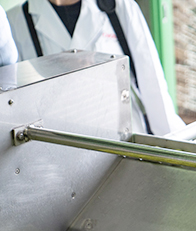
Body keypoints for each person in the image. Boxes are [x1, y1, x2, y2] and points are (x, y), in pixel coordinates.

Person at [7, 0, 185, 136]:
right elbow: (18, 105)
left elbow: (152, 84)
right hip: (63, 147)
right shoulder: (16, 22)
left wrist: (175, 148)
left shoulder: (118, 6)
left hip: (127, 138)